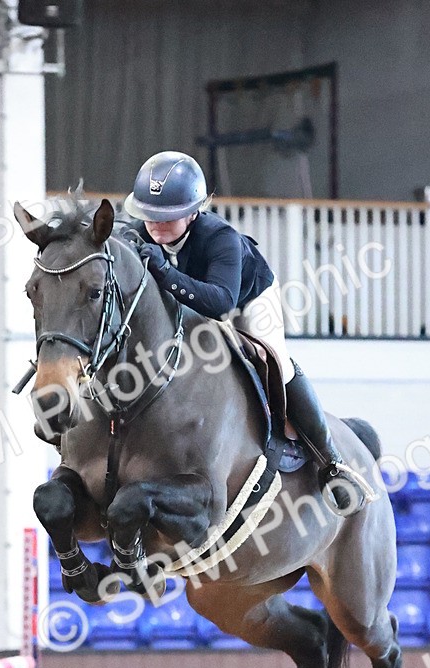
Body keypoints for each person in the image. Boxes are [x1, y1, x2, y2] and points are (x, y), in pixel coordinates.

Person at [122, 151, 373, 514]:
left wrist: (164, 272)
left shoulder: (219, 237)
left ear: (193, 211)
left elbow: (220, 302)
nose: (156, 225)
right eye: (150, 216)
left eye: (168, 216)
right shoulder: (138, 234)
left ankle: (330, 461)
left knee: (275, 360)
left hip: (244, 302)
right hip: (187, 304)